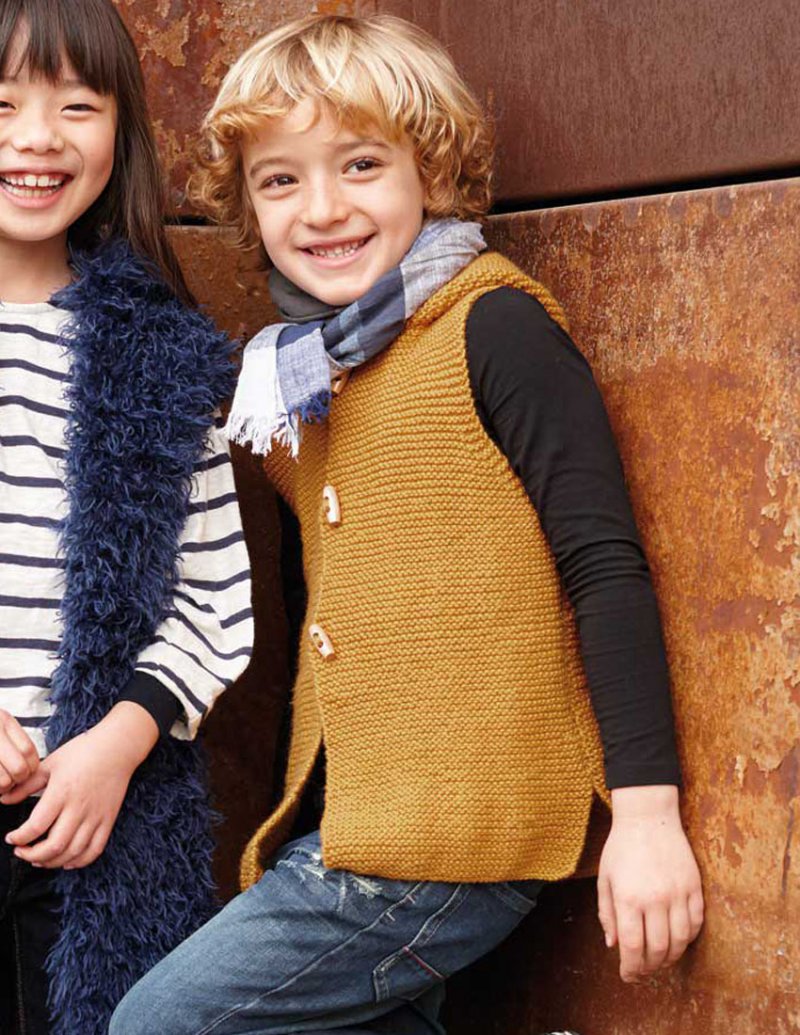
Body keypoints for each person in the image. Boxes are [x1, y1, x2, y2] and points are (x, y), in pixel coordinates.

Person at [110, 13, 703, 1035]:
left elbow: (603, 564)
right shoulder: (299, 375)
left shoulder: (493, 323)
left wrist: (647, 815)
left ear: (429, 171)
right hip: (360, 823)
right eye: (280, 179)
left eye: (360, 164)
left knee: (158, 1023)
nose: (323, 208)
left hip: (454, 835)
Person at [0, 1, 253, 1033]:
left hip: (91, 825)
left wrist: (115, 745)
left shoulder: (161, 352)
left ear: (122, 131)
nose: (37, 138)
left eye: (77, 105)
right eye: (2, 105)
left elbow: (213, 599)